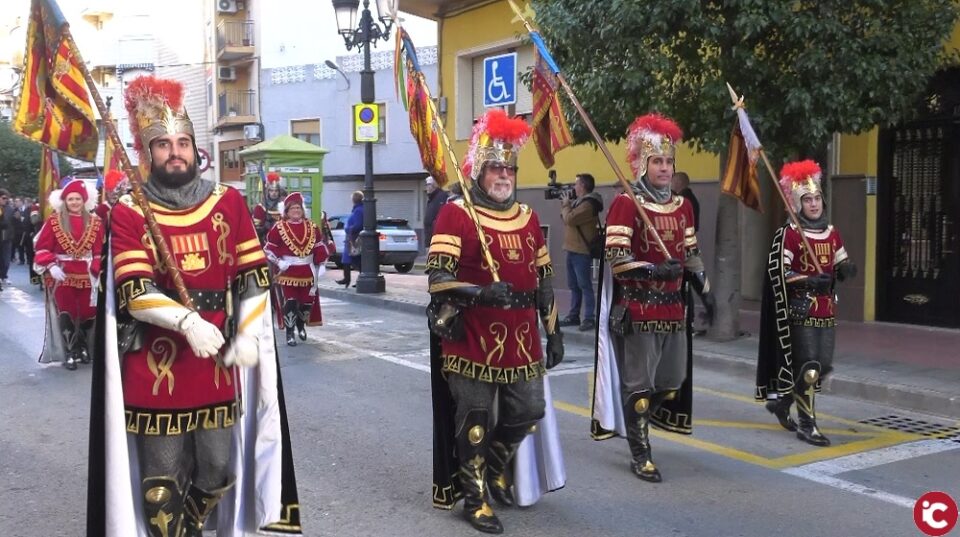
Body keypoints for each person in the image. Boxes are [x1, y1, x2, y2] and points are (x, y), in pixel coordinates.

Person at [86, 75, 301, 537]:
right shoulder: (130, 209)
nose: (175, 152)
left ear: (195, 148)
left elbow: (253, 277)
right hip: (155, 364)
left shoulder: (228, 202)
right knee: (160, 482)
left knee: (218, 471)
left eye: (183, 142)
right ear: (147, 152)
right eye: (163, 144)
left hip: (217, 364)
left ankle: (191, 529)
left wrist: (247, 333)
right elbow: (134, 289)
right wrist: (186, 320)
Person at [427, 109, 565, 534]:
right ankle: (475, 498)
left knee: (529, 409)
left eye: (509, 168)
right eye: (496, 168)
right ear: (479, 170)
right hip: (471, 335)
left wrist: (553, 329)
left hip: (522, 338)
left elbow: (543, 279)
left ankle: (493, 466)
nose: (504, 175)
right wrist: (478, 291)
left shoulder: (526, 217)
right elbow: (437, 279)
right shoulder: (456, 213)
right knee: (474, 419)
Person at [591, 113, 715, 483]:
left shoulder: (683, 206)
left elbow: (691, 254)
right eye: (656, 161)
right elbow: (616, 260)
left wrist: (705, 291)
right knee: (639, 384)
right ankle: (640, 451)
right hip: (637, 307)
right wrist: (650, 269)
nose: (663, 168)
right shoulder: (626, 204)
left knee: (672, 379)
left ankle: (638, 421)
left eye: (668, 162)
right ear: (643, 165)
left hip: (674, 308)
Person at [756, 159, 856, 447]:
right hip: (800, 310)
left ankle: (782, 401)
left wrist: (846, 268)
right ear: (797, 204)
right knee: (810, 368)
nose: (813, 204)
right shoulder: (789, 234)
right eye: (807, 200)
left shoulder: (831, 232)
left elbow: (839, 259)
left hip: (827, 310)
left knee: (822, 367)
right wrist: (808, 280)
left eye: (816, 199)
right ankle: (807, 425)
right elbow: (780, 272)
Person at [33, 179, 103, 370]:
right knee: (67, 311)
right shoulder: (54, 221)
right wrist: (50, 265)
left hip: (87, 275)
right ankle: (70, 351)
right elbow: (42, 247)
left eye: (77, 199)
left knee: (89, 313)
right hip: (62, 274)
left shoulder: (96, 221)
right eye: (70, 199)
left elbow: (98, 251)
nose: (74, 202)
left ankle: (82, 346)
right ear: (64, 201)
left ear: (84, 200)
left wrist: (97, 267)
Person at [264, 191, 328, 346]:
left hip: (308, 271)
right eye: (292, 209)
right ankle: (290, 332)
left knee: (307, 302)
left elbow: (319, 247)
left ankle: (301, 325)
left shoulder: (312, 227)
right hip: (288, 272)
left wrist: (323, 264)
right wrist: (279, 262)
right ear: (286, 211)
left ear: (302, 210)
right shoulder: (279, 228)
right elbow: (268, 249)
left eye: (298, 208)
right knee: (291, 302)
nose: (296, 211)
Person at [558, 173, 603, 332]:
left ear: (583, 186)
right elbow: (566, 218)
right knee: (574, 285)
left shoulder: (589, 204)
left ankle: (589, 317)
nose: (573, 187)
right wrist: (567, 205)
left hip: (581, 251)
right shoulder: (579, 202)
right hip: (571, 248)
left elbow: (570, 219)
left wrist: (565, 205)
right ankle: (574, 314)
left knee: (585, 285)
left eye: (576, 184)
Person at [336, 190, 363, 288]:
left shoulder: (358, 210)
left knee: (350, 259)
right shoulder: (358, 209)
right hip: (352, 238)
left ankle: (349, 279)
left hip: (353, 238)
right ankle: (349, 279)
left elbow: (358, 224)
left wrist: (348, 228)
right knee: (352, 259)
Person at [253, 171, 287, 242]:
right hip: (266, 239)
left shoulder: (284, 205)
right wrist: (264, 227)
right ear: (268, 192)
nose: (274, 193)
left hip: (283, 239)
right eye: (271, 191)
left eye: (276, 191)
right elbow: (255, 229)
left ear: (279, 192)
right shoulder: (260, 207)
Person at [423, 175, 449, 250]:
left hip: (438, 239)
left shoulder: (442, 197)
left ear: (435, 185)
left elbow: (444, 217)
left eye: (429, 184)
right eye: (426, 185)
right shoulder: (431, 199)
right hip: (429, 238)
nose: (427, 187)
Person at [0, 189, 13, 284]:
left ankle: (4, 276)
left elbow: (14, 223)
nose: (6, 200)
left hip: (7, 237)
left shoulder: (10, 209)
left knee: (6, 259)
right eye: (3, 198)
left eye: (7, 198)